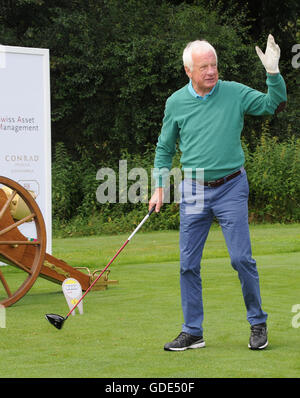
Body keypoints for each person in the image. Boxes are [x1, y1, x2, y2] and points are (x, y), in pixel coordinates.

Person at [148, 35, 287, 351]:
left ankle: (257, 323)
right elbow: (164, 147)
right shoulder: (175, 103)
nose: (211, 71)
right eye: (204, 67)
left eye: (214, 65)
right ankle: (192, 331)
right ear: (188, 71)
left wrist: (274, 74)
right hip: (194, 188)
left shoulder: (234, 92)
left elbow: (272, 105)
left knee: (240, 259)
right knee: (187, 264)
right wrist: (158, 186)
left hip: (231, 186)